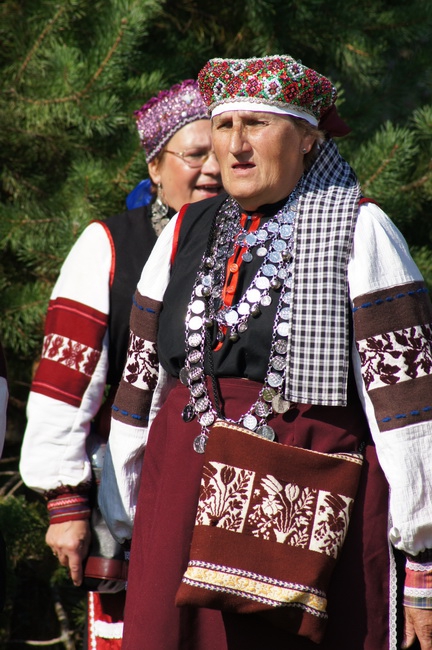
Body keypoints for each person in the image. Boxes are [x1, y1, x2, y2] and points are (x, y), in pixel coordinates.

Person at [99, 55, 432, 650]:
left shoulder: (360, 230)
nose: (236, 146)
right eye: (224, 126)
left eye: (257, 124)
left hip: (303, 507)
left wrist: (423, 553)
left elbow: (408, 409)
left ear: (307, 139)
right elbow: (141, 385)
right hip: (179, 499)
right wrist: (130, 511)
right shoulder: (184, 230)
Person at [19, 78, 222, 649]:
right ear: (155, 166)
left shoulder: (255, 242)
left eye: (220, 154)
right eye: (195, 154)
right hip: (133, 501)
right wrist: (66, 502)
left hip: (227, 501)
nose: (211, 169)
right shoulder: (108, 246)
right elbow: (65, 383)